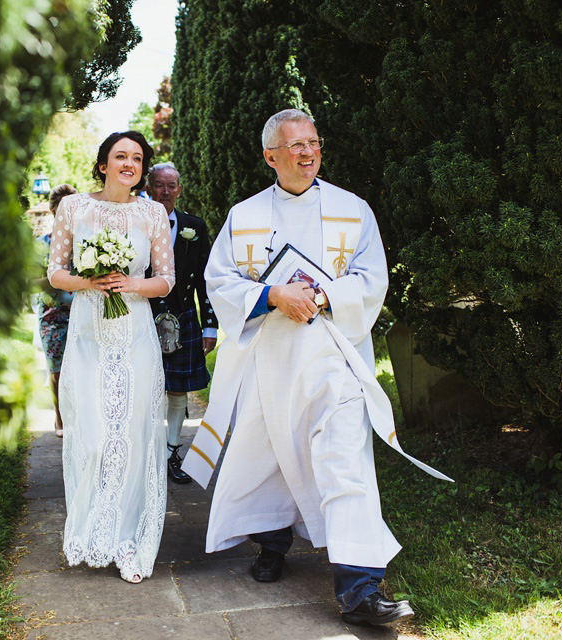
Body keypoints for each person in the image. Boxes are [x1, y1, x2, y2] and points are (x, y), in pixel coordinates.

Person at [182, 109, 451, 625]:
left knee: (346, 461)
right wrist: (272, 294)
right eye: (294, 145)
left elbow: (374, 279)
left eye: (313, 143)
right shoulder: (245, 215)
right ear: (270, 157)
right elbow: (221, 283)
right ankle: (273, 542)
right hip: (271, 362)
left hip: (335, 359)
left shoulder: (353, 209)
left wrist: (325, 294)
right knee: (271, 457)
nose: (307, 153)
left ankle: (360, 589)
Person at [47, 131, 175, 584]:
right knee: (97, 435)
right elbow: (55, 271)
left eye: (137, 158)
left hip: (135, 332)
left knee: (134, 435)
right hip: (88, 334)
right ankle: (90, 529)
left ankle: (127, 540)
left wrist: (130, 285)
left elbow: (166, 280)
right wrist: (89, 282)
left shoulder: (153, 213)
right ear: (102, 164)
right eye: (120, 156)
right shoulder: (73, 208)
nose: (129, 163)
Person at [145, 163, 217, 484]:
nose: (165, 192)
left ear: (180, 189)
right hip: (143, 316)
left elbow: (206, 279)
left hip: (184, 315)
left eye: (171, 185)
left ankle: (172, 453)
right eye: (159, 185)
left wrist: (210, 324)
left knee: (177, 393)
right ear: (148, 188)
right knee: (143, 390)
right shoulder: (134, 221)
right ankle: (145, 457)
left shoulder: (194, 227)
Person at [33, 184, 78, 438]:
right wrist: (55, 283)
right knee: (57, 370)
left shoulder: (86, 240)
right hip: (53, 314)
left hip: (82, 311)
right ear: (53, 211)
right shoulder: (42, 244)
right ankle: (59, 418)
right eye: (63, 208)